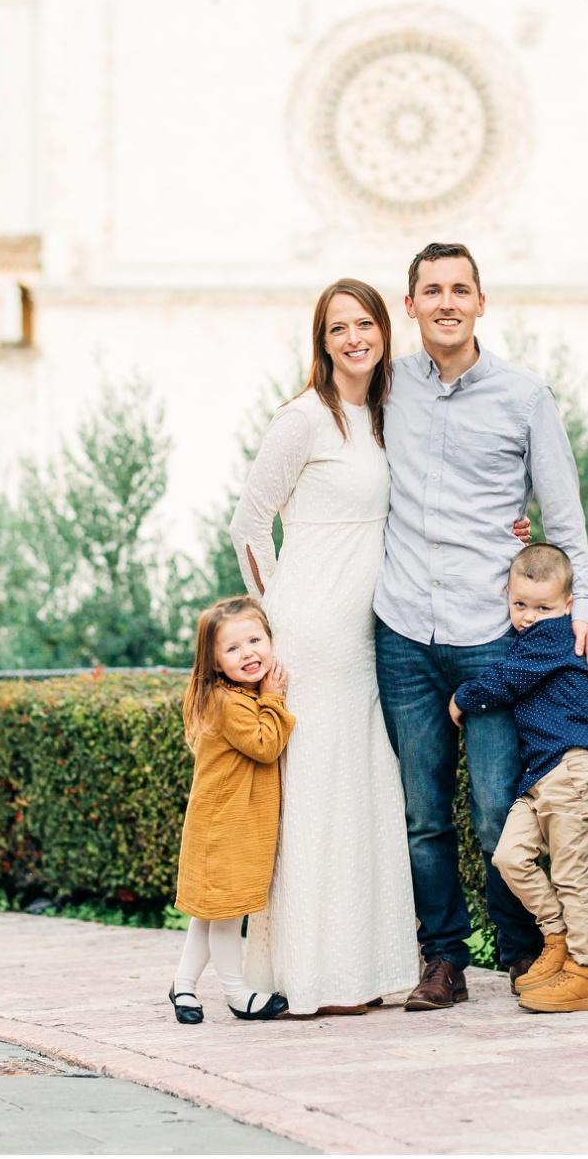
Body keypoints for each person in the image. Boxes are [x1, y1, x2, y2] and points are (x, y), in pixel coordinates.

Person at [374, 241, 588, 1010]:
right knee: (422, 816)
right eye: (430, 289)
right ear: (409, 305)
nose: (446, 301)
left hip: (489, 633)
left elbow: (564, 522)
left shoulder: (524, 396)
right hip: (403, 628)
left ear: (479, 302)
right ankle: (442, 959)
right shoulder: (387, 386)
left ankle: (525, 954)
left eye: (459, 289)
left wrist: (583, 613)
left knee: (498, 806)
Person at [230, 281, 420, 1016]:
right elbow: (248, 523)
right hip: (311, 630)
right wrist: (277, 610)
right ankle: (306, 973)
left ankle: (365, 969)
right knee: (313, 797)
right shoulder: (301, 418)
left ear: (382, 329)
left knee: (366, 791)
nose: (352, 337)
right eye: (337, 326)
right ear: (322, 339)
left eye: (364, 322)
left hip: (372, 631)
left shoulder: (389, 415)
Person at [451, 542, 588, 1013]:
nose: (529, 616)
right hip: (542, 774)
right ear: (507, 593)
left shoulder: (556, 634)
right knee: (509, 857)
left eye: (542, 607)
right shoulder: (532, 633)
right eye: (520, 604)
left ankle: (586, 973)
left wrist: (462, 697)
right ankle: (557, 938)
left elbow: (505, 680)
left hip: (572, 766)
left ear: (567, 605)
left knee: (569, 875)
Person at [169, 596, 295, 1023]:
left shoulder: (235, 697)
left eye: (255, 640)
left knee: (210, 913)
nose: (249, 653)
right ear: (216, 663)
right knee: (225, 916)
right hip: (224, 828)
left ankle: (183, 987)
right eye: (233, 648)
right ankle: (237, 994)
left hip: (223, 825)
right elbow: (265, 745)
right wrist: (274, 698)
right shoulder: (231, 703)